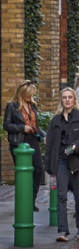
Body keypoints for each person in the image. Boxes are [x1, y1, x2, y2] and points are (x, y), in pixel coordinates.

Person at [44, 87, 79, 242]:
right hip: (62, 160)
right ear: (61, 100)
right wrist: (50, 167)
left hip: (78, 160)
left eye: (69, 97)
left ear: (74, 99)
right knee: (61, 196)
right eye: (64, 97)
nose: (67, 100)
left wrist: (75, 147)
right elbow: (50, 144)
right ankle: (62, 231)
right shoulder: (55, 121)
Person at [4, 80, 44, 212]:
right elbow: (7, 125)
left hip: (33, 140)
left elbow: (36, 126)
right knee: (23, 174)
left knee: (38, 170)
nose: (30, 97)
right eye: (28, 94)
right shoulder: (12, 106)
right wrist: (22, 127)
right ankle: (23, 202)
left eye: (31, 94)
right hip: (19, 142)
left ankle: (31, 200)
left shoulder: (32, 105)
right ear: (21, 93)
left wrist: (46, 135)